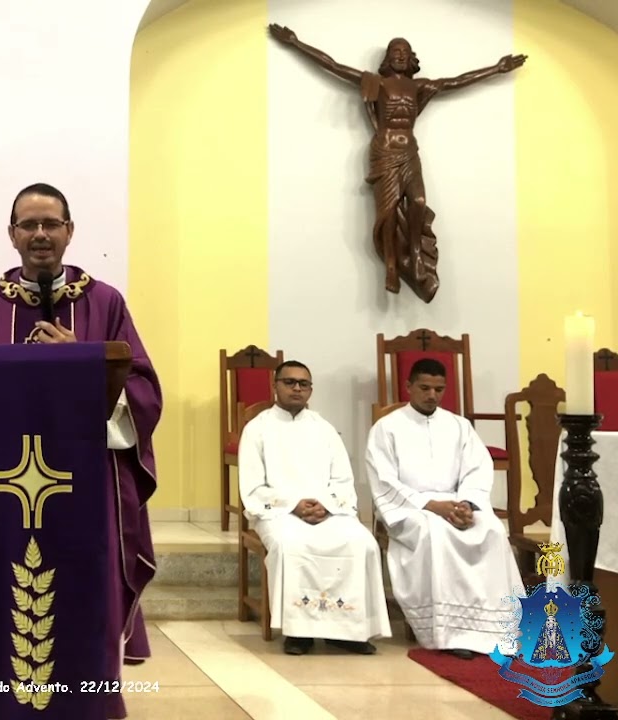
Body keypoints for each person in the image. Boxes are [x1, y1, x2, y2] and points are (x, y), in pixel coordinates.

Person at [0, 182, 161, 719]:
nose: (40, 235)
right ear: (11, 235)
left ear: (70, 232)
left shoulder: (104, 304)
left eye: (51, 224)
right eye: (28, 225)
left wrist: (84, 362)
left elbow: (143, 390)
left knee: (82, 607)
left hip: (85, 500)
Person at [267, 24, 526, 302]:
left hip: (409, 150)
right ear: (388, 58)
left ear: (411, 57)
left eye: (404, 51)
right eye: (395, 51)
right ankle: (391, 263)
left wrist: (496, 69)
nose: (400, 55)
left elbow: (454, 82)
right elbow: (333, 65)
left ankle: (414, 253)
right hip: (385, 149)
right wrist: (295, 42)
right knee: (388, 211)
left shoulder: (418, 86)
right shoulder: (375, 82)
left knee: (418, 202)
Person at [366, 358, 524, 659]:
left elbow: (478, 469)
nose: (432, 395)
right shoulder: (386, 428)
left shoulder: (458, 426)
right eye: (424, 388)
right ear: (408, 386)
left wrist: (466, 503)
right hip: (413, 508)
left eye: (439, 389)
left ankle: (501, 631)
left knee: (490, 529)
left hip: (456, 502)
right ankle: (451, 634)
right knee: (436, 533)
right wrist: (434, 506)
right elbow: (384, 481)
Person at [238, 360, 391, 656]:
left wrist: (328, 506)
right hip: (278, 512)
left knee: (362, 543)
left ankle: (349, 631)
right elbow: (253, 487)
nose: (297, 388)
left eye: (303, 384)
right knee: (290, 544)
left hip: (327, 511)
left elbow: (343, 480)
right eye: (289, 382)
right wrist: (293, 505)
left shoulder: (325, 429)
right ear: (275, 386)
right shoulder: (257, 429)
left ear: (310, 390)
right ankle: (298, 632)